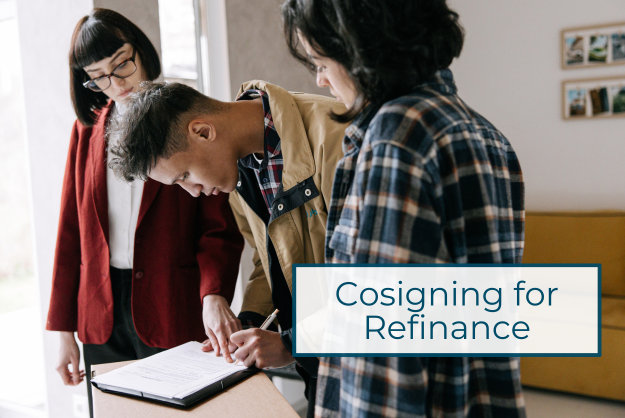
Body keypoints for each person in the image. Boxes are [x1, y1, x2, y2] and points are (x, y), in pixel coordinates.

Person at [282, 0, 526, 417]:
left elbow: (383, 349)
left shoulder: (397, 137)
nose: (321, 81)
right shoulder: (486, 134)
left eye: (321, 62)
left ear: (362, 48)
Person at [105, 79, 347, 417]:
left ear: (202, 131)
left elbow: (384, 284)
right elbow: (271, 259)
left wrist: (293, 344)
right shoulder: (239, 170)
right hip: (323, 368)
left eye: (184, 175)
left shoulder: (338, 139)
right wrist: (250, 322)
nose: (192, 191)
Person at [46, 9, 244, 417]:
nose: (116, 83)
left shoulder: (182, 116)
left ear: (140, 50)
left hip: (171, 302)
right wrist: (63, 329)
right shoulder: (86, 131)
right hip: (100, 310)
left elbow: (217, 227)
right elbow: (70, 230)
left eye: (122, 63)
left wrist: (214, 292)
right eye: (99, 76)